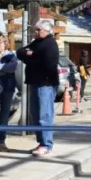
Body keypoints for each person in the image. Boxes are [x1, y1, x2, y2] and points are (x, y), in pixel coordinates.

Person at [17, 20, 60, 157]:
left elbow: (48, 64)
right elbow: (20, 52)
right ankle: (41, 142)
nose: (35, 32)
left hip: (46, 84)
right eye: (35, 29)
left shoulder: (50, 44)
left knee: (44, 115)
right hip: (34, 83)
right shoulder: (36, 43)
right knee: (35, 115)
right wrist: (29, 54)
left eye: (38, 30)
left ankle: (47, 144)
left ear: (47, 31)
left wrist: (31, 56)